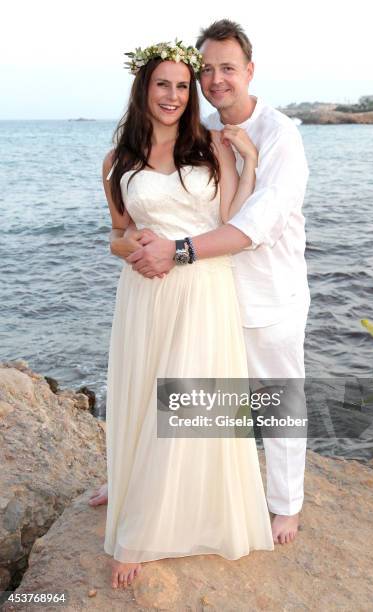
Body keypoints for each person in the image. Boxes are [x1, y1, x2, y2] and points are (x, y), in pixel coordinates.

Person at [92, 20, 311, 547]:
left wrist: (177, 250)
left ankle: (284, 504)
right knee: (190, 394)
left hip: (265, 291)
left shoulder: (280, 134)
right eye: (206, 69)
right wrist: (142, 244)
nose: (215, 80)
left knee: (274, 395)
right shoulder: (202, 130)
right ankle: (152, 481)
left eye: (227, 68)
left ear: (249, 71)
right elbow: (130, 222)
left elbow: (256, 224)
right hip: (205, 290)